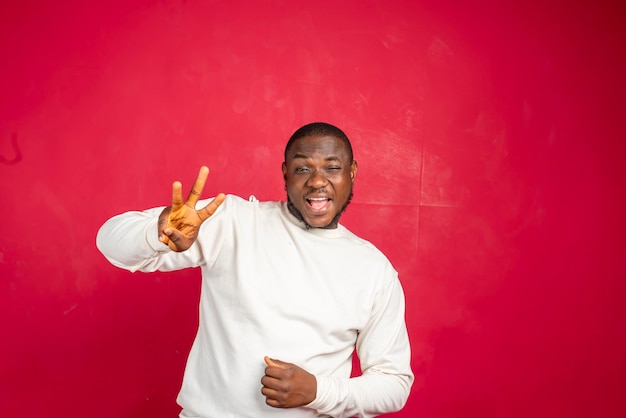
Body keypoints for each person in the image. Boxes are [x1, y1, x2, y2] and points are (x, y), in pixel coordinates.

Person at [96, 122, 414, 417]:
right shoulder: (233, 221)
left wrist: (318, 391)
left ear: (352, 173)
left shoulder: (373, 269)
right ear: (285, 173)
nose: (318, 181)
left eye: (332, 168)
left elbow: (394, 383)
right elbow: (110, 240)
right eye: (303, 168)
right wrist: (158, 233)